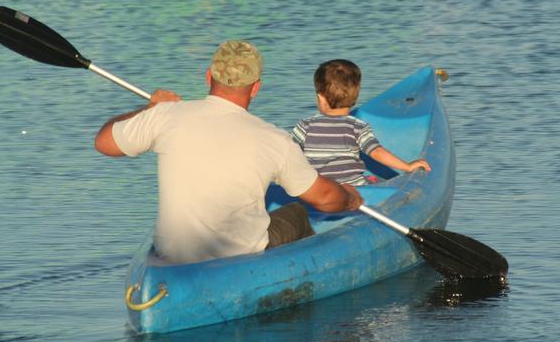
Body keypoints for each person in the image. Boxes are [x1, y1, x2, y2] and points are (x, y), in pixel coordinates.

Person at [94, 41, 363, 264]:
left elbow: (104, 142)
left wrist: (149, 108)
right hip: (239, 258)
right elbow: (326, 199)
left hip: (173, 259)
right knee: (296, 213)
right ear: (256, 88)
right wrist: (349, 197)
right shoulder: (274, 139)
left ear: (209, 77)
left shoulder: (164, 115)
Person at [291, 59, 431, 186]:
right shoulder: (357, 127)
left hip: (318, 190)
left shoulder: (305, 126)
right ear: (355, 96)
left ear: (320, 98)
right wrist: (407, 166)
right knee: (377, 182)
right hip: (353, 189)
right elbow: (376, 152)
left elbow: (288, 155)